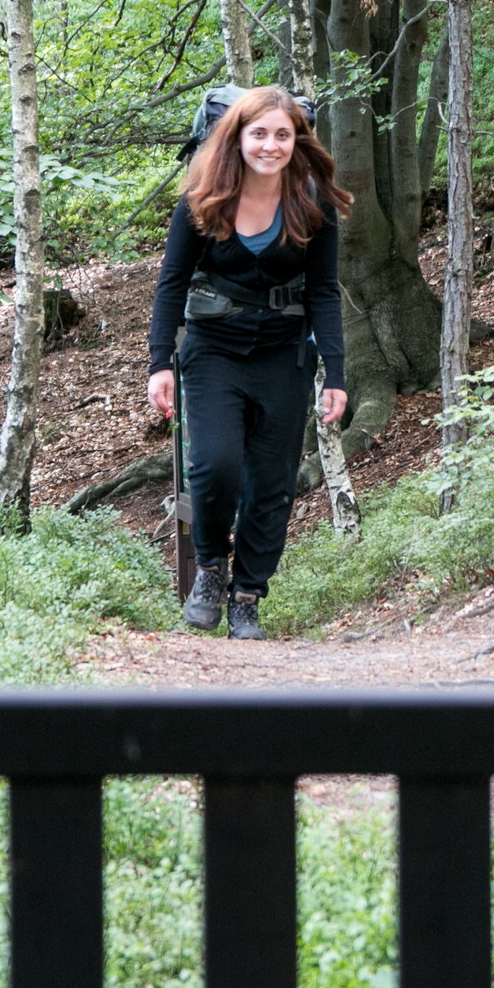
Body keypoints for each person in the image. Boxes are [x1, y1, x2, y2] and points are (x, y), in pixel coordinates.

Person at [147, 86, 352, 639]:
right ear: (236, 138)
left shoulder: (312, 201)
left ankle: (247, 597)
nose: (270, 145)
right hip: (213, 350)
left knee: (272, 482)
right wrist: (160, 363)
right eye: (258, 133)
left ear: (297, 140)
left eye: (282, 135)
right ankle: (211, 567)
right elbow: (170, 284)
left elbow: (324, 292)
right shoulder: (203, 199)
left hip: (284, 353)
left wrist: (335, 374)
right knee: (214, 465)